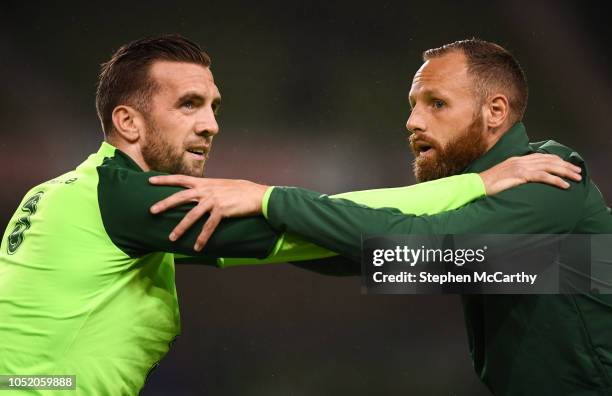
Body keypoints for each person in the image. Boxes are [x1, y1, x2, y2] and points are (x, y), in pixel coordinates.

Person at [149, 39, 612, 395]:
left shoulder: (552, 177)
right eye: (414, 104)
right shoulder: (471, 196)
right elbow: (374, 256)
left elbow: (416, 250)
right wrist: (198, 239)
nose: (413, 121)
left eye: (436, 103)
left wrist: (271, 198)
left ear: (495, 112)